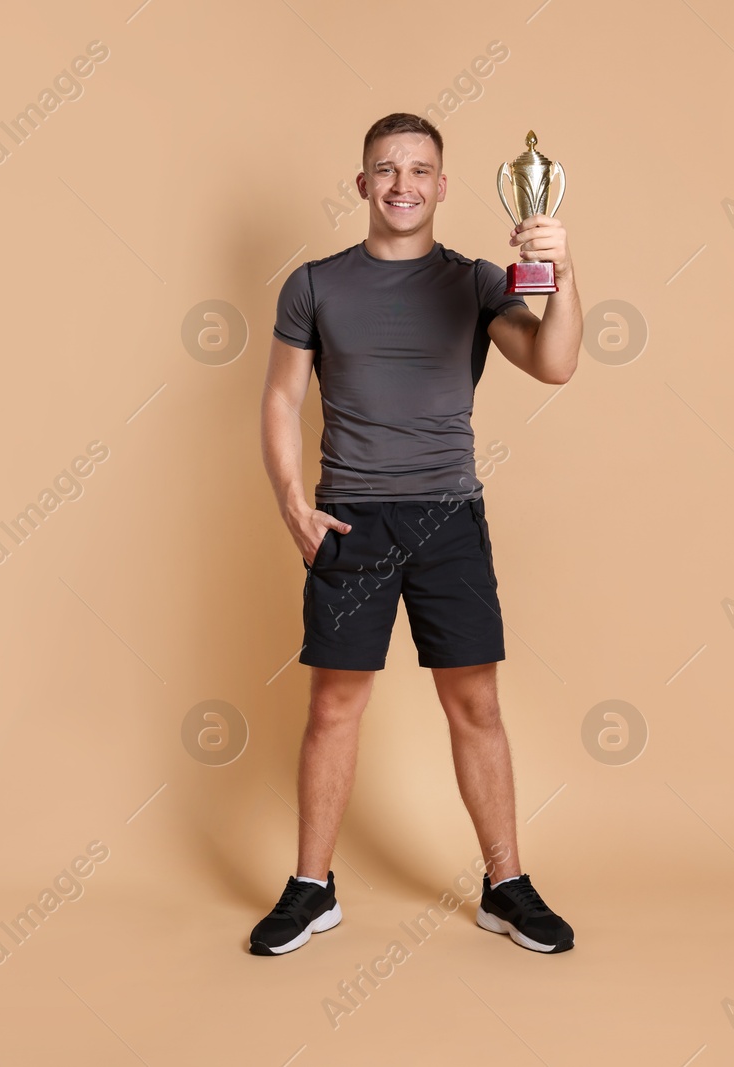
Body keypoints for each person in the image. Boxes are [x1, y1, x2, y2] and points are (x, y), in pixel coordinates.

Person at [252, 113, 581, 956]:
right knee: (334, 706)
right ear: (363, 185)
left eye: (420, 169)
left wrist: (565, 267)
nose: (402, 183)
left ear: (442, 185)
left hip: (448, 518)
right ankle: (311, 886)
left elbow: (554, 361)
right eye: (386, 169)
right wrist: (294, 504)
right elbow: (283, 399)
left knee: (476, 704)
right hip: (350, 518)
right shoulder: (314, 285)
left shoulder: (475, 281)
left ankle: (505, 885)